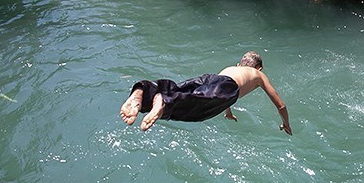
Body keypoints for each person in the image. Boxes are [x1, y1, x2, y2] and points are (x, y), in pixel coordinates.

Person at [120, 51, 292, 135]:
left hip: (210, 78)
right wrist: (286, 123)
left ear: (240, 64)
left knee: (181, 90)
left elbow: (218, 91)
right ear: (259, 68)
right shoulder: (258, 75)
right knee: (198, 110)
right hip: (227, 88)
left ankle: (143, 91)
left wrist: (228, 112)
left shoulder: (231, 69)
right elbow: (281, 105)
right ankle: (164, 102)